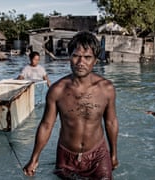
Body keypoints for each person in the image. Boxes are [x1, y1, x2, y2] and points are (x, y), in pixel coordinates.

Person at [23, 31, 119, 179]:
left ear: (95, 61)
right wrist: (34, 158)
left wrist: (113, 154)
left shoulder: (106, 89)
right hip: (66, 156)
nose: (81, 62)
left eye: (87, 57)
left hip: (98, 155)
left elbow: (111, 122)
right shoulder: (57, 90)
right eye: (76, 56)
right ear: (69, 57)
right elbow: (46, 125)